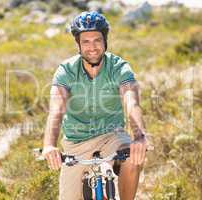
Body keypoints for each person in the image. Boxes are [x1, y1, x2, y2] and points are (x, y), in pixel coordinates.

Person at [42, 11, 149, 200]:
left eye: (97, 40)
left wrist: (139, 136)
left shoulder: (119, 67)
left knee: (133, 158)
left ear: (105, 41)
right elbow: (56, 111)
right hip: (76, 143)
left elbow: (131, 102)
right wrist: (49, 145)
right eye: (86, 42)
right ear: (78, 44)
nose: (92, 47)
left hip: (112, 135)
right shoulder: (65, 71)